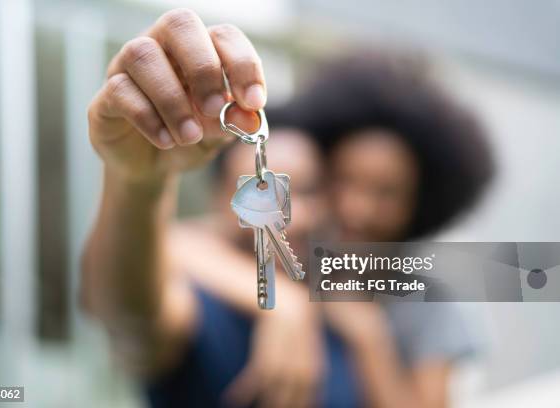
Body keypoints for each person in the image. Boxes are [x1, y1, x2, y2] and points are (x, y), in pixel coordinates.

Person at [82, 8, 493, 407]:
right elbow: (136, 302)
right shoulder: (202, 305)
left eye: (386, 193)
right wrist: (139, 182)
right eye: (262, 189)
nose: (356, 208)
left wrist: (365, 333)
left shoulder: (410, 291)